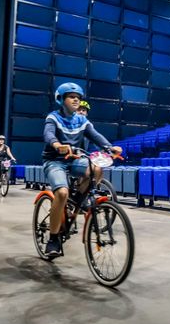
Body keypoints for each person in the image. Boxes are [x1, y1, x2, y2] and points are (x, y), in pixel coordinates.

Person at [42, 83, 122, 258]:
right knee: (62, 193)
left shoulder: (82, 120)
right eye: (71, 96)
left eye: (78, 96)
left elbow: (95, 135)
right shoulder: (53, 117)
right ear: (61, 100)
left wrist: (110, 147)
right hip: (55, 161)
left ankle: (78, 198)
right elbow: (48, 134)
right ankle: (53, 239)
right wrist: (57, 145)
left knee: (98, 168)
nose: (76, 99)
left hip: (75, 161)